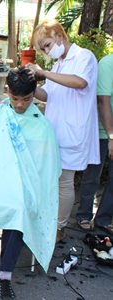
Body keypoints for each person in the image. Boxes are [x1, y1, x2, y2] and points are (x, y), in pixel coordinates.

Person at [0, 67, 61, 299]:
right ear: (7, 91)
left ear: (35, 94)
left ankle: (5, 276)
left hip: (22, 187)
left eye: (27, 99)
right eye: (15, 98)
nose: (20, 104)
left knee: (19, 209)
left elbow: (45, 168)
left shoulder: (41, 125)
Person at [27, 19, 99, 243]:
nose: (47, 51)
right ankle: (52, 221)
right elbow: (48, 95)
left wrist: (44, 73)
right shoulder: (59, 64)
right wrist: (28, 86)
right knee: (53, 179)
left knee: (65, 181)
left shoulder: (84, 57)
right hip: (54, 130)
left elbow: (80, 82)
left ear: (59, 35)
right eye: (43, 49)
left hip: (73, 131)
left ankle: (59, 227)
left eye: (47, 45)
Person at [77, 53, 113, 235]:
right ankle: (83, 214)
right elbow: (102, 100)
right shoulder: (107, 63)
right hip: (100, 130)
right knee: (92, 175)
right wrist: (111, 135)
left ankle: (104, 219)